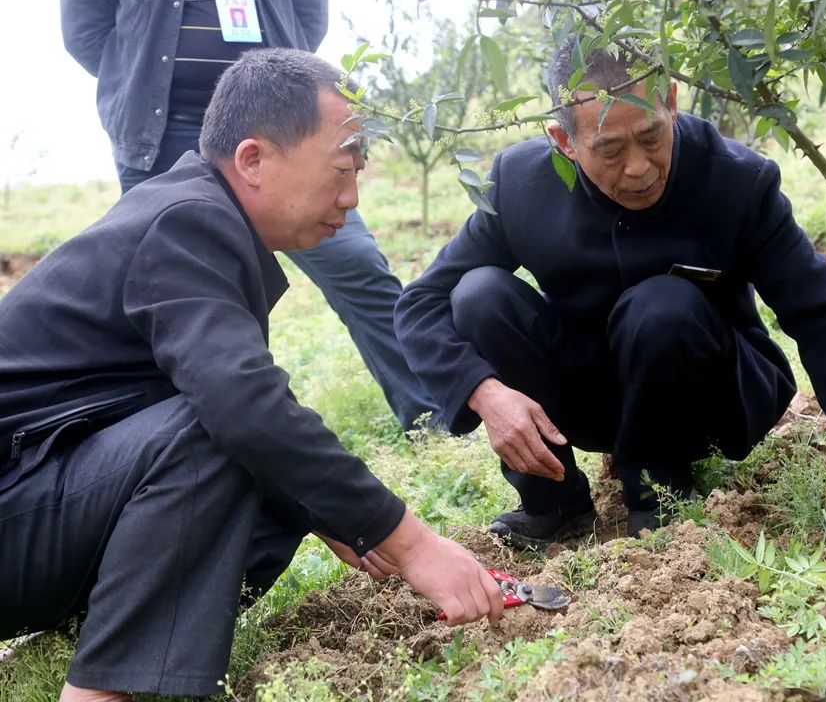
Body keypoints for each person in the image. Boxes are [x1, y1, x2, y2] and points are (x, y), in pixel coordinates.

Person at [0, 48, 502, 702]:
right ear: (253, 159)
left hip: (40, 496)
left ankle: (95, 631)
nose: (351, 198)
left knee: (283, 483)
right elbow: (239, 405)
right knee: (221, 433)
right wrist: (409, 542)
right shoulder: (188, 222)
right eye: (341, 170)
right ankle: (101, 690)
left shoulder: (199, 214)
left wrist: (341, 517)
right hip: (18, 502)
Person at [395, 38, 826, 552]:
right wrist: (484, 392)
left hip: (713, 391)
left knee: (662, 306)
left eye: (652, 136)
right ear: (565, 143)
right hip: (591, 394)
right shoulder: (521, 183)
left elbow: (825, 315)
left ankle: (661, 493)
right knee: (478, 294)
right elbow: (422, 302)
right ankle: (552, 501)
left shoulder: (737, 180)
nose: (639, 167)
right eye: (609, 149)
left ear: (671, 103)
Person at [59, 0, 441, 432]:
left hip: (279, 131)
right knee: (173, 290)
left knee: (354, 259)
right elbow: (85, 31)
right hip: (160, 134)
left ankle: (431, 411)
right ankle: (174, 433)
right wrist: (140, 75)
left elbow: (308, 15)